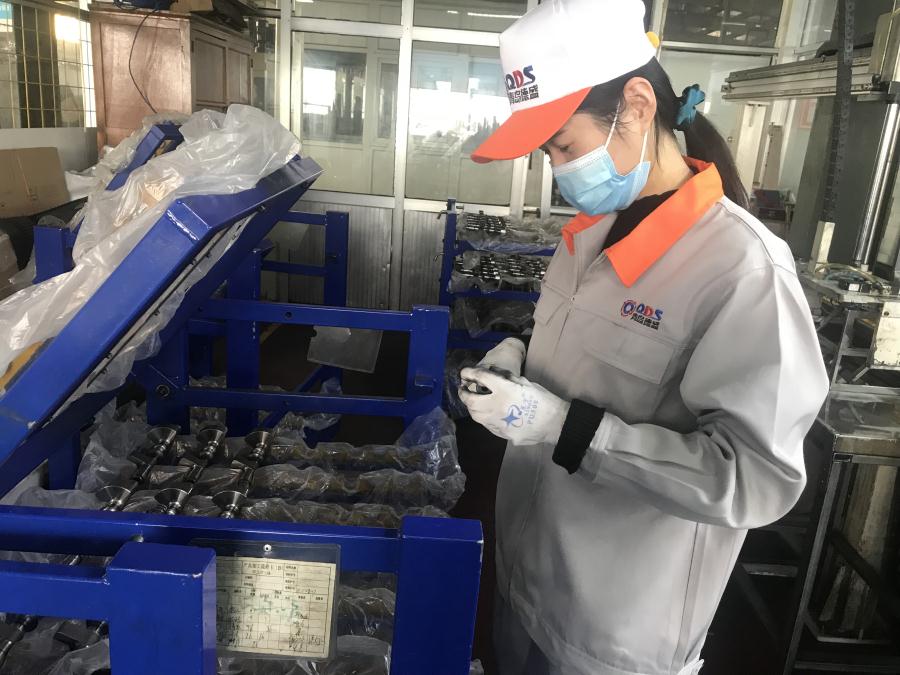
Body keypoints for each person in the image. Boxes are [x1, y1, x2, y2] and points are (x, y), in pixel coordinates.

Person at [458, 1, 830, 674]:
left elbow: (753, 479)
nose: (557, 170)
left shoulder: (742, 270)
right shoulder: (586, 236)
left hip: (612, 633)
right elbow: (589, 357)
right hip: (525, 579)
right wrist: (521, 358)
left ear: (635, 105)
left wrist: (564, 427)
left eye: (563, 146)